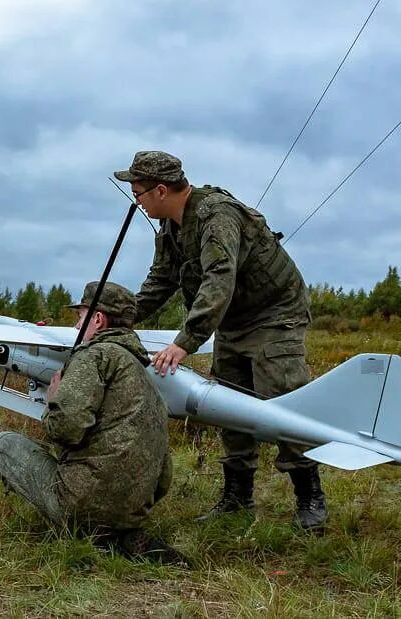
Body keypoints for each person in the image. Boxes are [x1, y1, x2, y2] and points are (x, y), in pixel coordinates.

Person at [114, 150, 327, 530]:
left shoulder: (217, 216)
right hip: (232, 317)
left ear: (161, 190)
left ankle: (309, 497)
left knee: (282, 399)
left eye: (139, 192)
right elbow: (160, 282)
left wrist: (185, 342)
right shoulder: (170, 229)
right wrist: (116, 319)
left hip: (275, 313)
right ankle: (237, 499)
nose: (137, 201)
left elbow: (218, 279)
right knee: (232, 401)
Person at [0, 281, 182, 563]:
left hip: (82, 503)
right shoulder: (143, 373)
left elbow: (66, 429)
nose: (77, 327)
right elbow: (164, 477)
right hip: (135, 510)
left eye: (80, 317)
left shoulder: (93, 356)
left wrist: (53, 401)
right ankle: (118, 534)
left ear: (98, 319)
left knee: (2, 444)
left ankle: (85, 528)